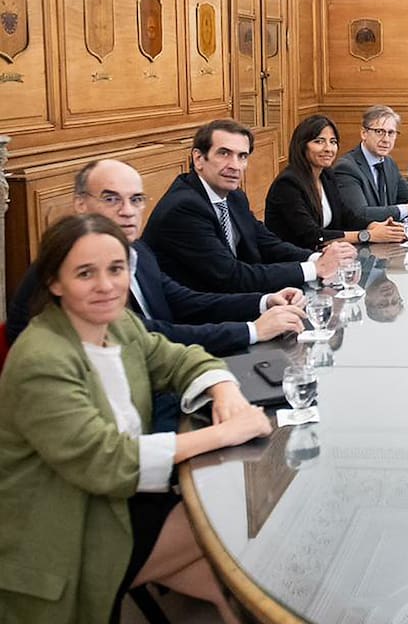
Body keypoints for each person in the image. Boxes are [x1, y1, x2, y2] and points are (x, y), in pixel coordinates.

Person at [0, 214, 272, 622]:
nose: (107, 286)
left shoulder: (119, 323)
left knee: (235, 533)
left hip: (119, 498)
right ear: (54, 282)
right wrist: (227, 432)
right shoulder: (41, 358)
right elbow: (108, 461)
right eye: (85, 273)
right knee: (239, 521)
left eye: (117, 269)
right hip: (64, 525)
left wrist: (225, 391)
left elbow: (180, 358)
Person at [6, 159, 307, 357]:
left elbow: (184, 300)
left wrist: (264, 301)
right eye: (111, 199)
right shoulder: (65, 271)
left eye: (136, 200)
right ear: (81, 205)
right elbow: (151, 335)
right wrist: (253, 330)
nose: (127, 210)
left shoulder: (138, 251)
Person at [143, 119, 355, 293]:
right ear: (199, 158)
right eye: (224, 153)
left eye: (242, 156)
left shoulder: (234, 196)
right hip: (197, 317)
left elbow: (266, 242)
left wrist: (317, 258)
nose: (235, 165)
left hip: (232, 299)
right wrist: (313, 269)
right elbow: (231, 276)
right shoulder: (184, 208)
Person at [265, 115, 408, 251]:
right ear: (302, 145)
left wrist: (375, 226)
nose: (328, 148)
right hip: (294, 263)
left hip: (326, 256)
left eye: (333, 142)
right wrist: (368, 235)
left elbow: (346, 216)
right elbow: (313, 236)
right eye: (319, 141)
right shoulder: (288, 184)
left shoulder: (326, 175)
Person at [334, 104, 408, 223]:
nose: (386, 139)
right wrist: (406, 209)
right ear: (364, 133)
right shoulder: (346, 167)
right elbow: (359, 214)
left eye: (391, 133)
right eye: (379, 131)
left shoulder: (388, 163)